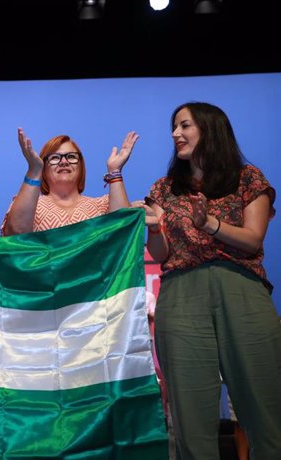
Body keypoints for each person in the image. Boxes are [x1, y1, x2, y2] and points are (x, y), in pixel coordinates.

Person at [144, 101, 281, 459]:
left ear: (210, 128)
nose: (176, 134)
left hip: (241, 289)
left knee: (264, 407)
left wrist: (208, 223)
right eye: (174, 127)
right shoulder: (164, 188)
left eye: (185, 126)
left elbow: (253, 238)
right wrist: (155, 229)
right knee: (190, 416)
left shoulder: (247, 178)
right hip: (181, 294)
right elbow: (159, 255)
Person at [1, 128, 138, 234]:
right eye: (55, 158)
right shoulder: (29, 205)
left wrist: (115, 171)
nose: (64, 162)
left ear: (81, 166)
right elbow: (16, 235)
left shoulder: (103, 205)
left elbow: (123, 233)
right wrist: (34, 170)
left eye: (71, 156)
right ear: (43, 166)